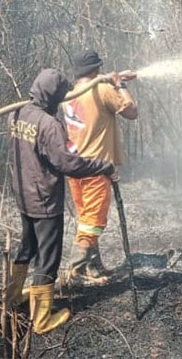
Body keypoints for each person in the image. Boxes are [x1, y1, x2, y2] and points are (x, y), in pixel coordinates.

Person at [4, 69, 116, 334]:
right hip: (44, 201)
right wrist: (103, 167)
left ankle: (12, 297)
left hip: (23, 195)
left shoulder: (16, 113)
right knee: (48, 258)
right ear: (53, 96)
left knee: (27, 247)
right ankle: (42, 319)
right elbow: (68, 164)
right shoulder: (49, 125)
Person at [62, 49, 138, 285]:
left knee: (86, 219)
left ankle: (93, 266)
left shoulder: (70, 95)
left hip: (75, 169)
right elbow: (131, 111)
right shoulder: (103, 89)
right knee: (93, 223)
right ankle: (75, 272)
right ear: (97, 69)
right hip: (96, 169)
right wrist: (120, 84)